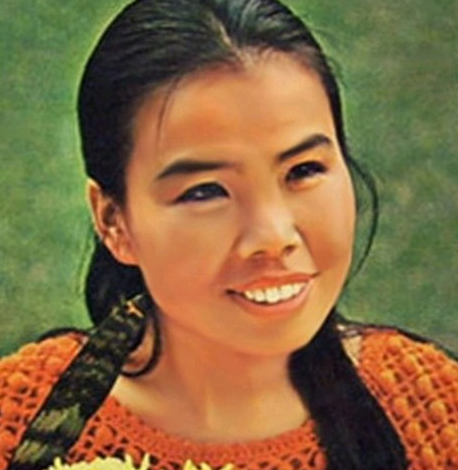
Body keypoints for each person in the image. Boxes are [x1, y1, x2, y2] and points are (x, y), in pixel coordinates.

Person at [0, 0, 457, 469]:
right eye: (204, 192)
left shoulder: (430, 412)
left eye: (303, 170)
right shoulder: (16, 416)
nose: (273, 236)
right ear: (114, 221)